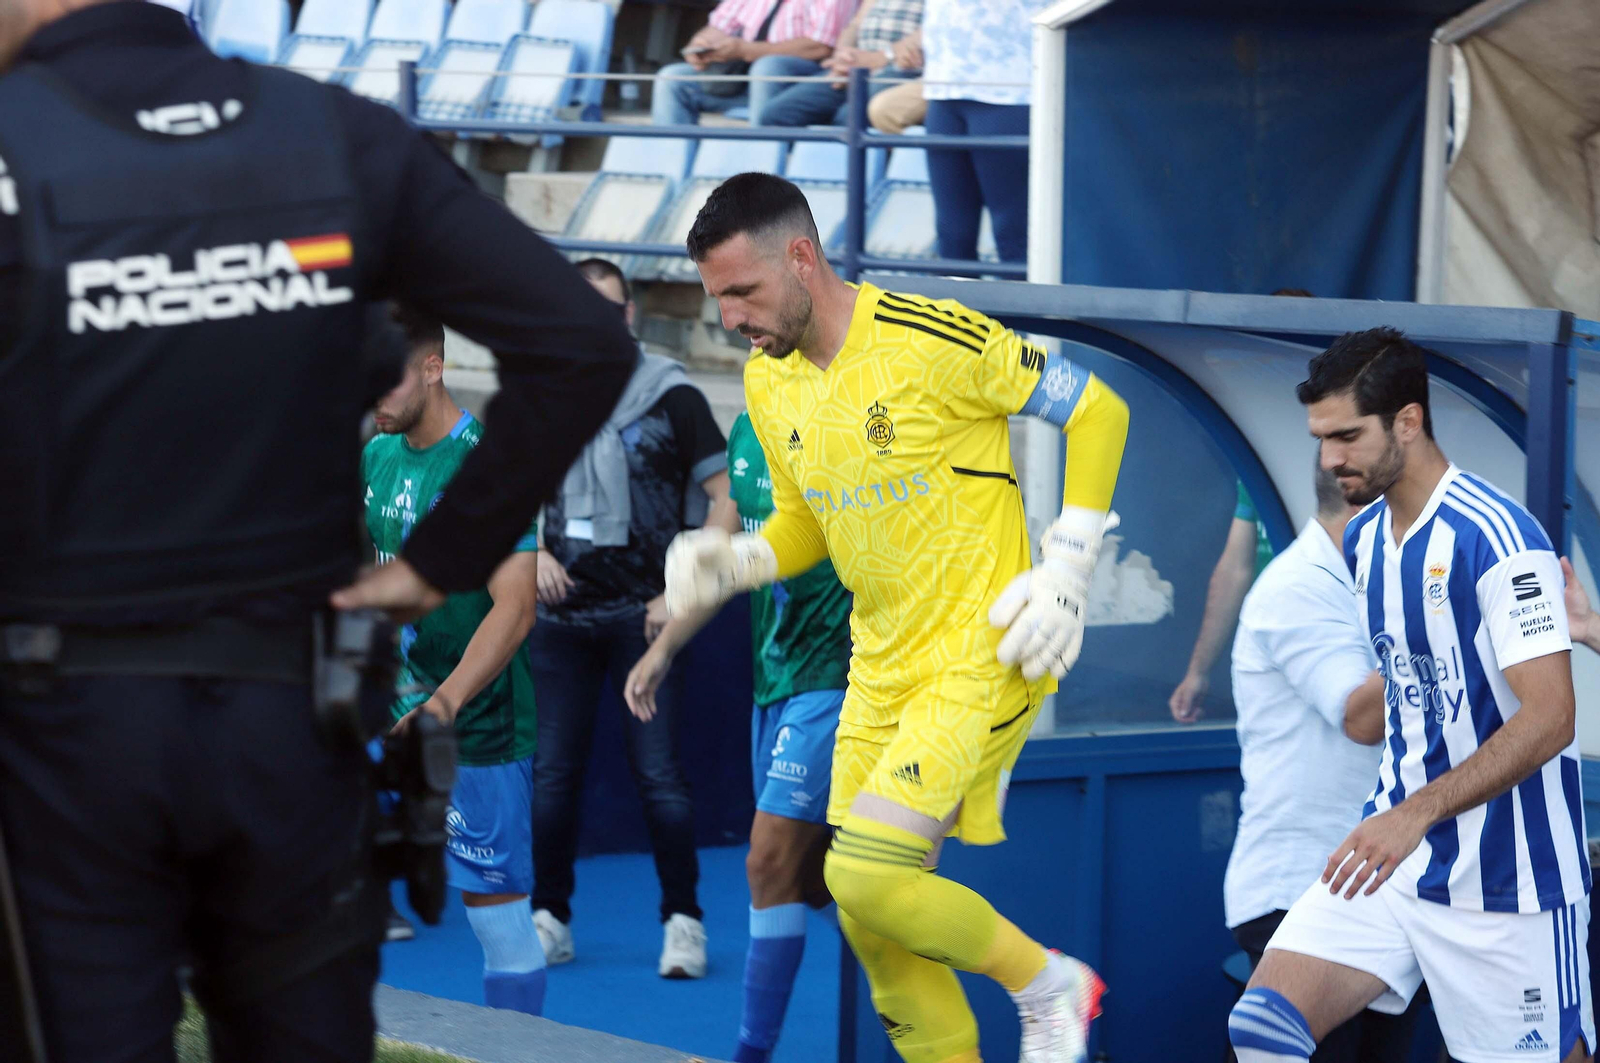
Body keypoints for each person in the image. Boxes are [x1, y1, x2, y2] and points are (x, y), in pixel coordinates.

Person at [0, 3, 634, 1060]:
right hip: (291, 725)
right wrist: (442, 560)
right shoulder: (332, 134)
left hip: (66, 740)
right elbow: (577, 341)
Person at [670, 172, 1130, 1063]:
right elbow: (802, 526)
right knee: (874, 924)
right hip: (876, 664)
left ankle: (1049, 984)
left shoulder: (932, 335)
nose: (729, 317)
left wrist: (1069, 564)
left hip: (983, 649)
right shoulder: (770, 383)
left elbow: (1096, 410)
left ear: (801, 258)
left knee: (863, 873)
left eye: (741, 291)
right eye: (716, 297)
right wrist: (732, 563)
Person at [1230, 327, 1592, 1063]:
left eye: (1346, 435)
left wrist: (1415, 810)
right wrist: (1403, 815)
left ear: (1408, 421)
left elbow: (1553, 718)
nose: (1329, 459)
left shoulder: (1498, 537)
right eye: (1320, 438)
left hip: (1509, 885)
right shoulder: (1363, 541)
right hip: (1396, 868)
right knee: (1262, 1027)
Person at [625, 408, 853, 1063]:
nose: (739, 325)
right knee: (816, 880)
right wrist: (664, 647)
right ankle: (929, 962)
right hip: (772, 682)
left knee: (765, 859)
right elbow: (720, 550)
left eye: (747, 298)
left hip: (835, 675)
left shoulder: (844, 415)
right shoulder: (750, 425)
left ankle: (750, 1054)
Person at [529, 259, 734, 980]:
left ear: (630, 318)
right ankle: (548, 918)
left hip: (645, 623)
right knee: (553, 775)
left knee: (660, 778)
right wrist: (531, 555)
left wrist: (682, 590)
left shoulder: (671, 394)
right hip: (558, 620)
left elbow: (726, 499)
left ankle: (685, 923)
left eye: (608, 311)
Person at [361, 306, 546, 1016]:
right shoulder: (374, 456)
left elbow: (516, 608)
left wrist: (441, 706)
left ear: (434, 367)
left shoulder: (487, 467)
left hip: (477, 725)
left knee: (495, 917)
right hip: (392, 704)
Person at [1226, 457, 1424, 1062]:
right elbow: (1362, 716)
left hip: (1382, 890)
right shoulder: (1297, 587)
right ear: (1369, 506)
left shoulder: (1373, 583)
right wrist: (1447, 626)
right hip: (1302, 888)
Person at [920, 0, 1046, 264]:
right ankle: (955, 305)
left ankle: (1022, 305)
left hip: (1012, 89)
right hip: (944, 86)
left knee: (1013, 231)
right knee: (952, 233)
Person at [652, 0, 857, 129]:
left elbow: (820, 47)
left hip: (805, 81)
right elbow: (717, 27)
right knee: (672, 78)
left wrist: (745, 50)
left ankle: (761, 170)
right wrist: (700, 46)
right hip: (745, 77)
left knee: (769, 67)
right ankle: (673, 168)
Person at [1169, 481, 1274, 723]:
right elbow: (1234, 570)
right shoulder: (1253, 478)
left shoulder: (1346, 470)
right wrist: (1198, 672)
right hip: (1264, 655)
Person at [757, 0, 922, 128]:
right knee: (777, 115)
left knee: (849, 119)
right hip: (856, 66)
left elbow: (933, 31)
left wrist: (879, 58)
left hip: (904, 68)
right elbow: (854, 25)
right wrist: (844, 55)